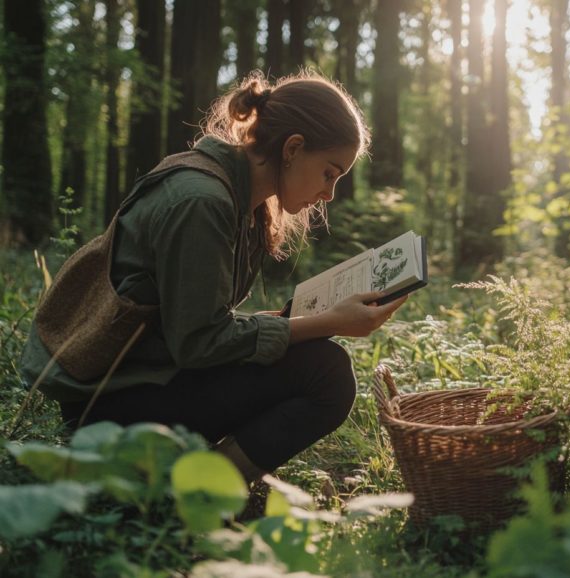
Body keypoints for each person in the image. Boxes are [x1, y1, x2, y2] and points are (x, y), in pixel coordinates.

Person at [21, 70, 407, 488]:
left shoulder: (241, 198)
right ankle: (201, 492)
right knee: (327, 374)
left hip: (144, 378)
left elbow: (193, 321)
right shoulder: (203, 201)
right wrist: (330, 323)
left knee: (316, 358)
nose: (329, 194)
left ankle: (205, 480)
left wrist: (299, 321)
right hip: (105, 407)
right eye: (330, 173)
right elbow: (199, 343)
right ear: (293, 148)